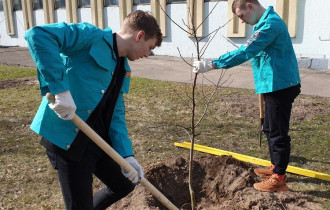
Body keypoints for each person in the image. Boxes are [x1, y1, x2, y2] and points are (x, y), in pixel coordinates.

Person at [25, 10, 162, 209]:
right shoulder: (90, 37)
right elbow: (38, 35)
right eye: (149, 48)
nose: (147, 55)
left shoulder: (123, 68)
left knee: (123, 184)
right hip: (69, 141)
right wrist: (60, 89)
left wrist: (127, 155)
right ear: (139, 35)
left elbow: (116, 113)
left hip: (96, 139)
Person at [192, 0, 301, 192]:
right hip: (271, 84)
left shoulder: (270, 25)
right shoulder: (262, 24)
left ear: (250, 5)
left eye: (241, 15)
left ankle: (279, 179)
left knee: (277, 132)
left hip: (281, 85)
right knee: (269, 128)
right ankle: (275, 167)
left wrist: (213, 64)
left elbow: (246, 51)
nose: (241, 21)